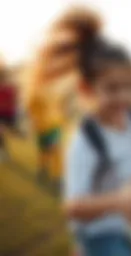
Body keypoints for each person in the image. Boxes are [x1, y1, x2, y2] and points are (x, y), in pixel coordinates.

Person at [46, 7, 131, 256]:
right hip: (99, 228)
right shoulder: (86, 140)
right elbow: (72, 206)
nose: (124, 97)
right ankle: (84, 245)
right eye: (111, 88)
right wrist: (119, 201)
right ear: (87, 89)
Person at [23, 18, 78, 189]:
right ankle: (43, 171)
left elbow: (64, 101)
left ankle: (58, 178)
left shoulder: (59, 81)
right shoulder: (35, 84)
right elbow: (31, 105)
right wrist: (34, 120)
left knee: (56, 151)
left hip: (55, 123)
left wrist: (66, 112)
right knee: (45, 152)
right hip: (42, 125)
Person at [0, 69, 18, 161]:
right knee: (1, 133)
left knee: (2, 132)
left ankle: (4, 152)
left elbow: (12, 102)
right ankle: (4, 152)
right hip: (2, 115)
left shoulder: (10, 89)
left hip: (8, 114)